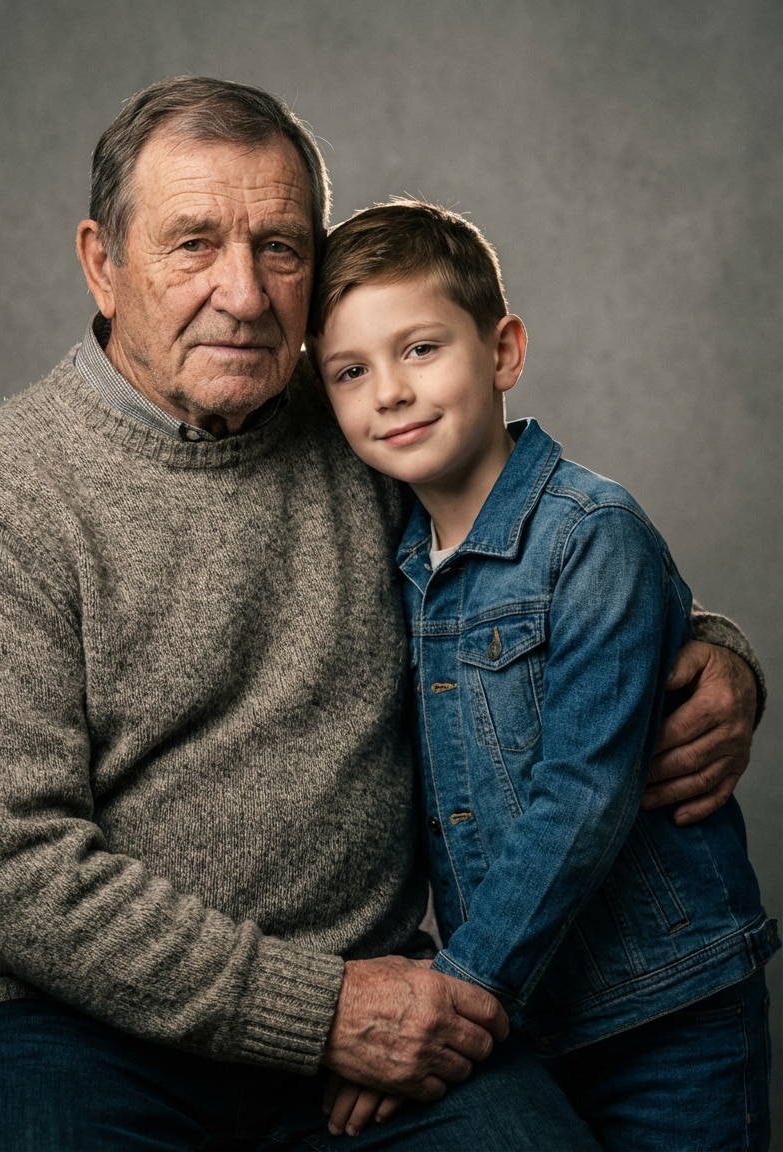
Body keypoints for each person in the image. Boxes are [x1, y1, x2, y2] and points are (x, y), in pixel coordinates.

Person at [0, 78, 763, 1152]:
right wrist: (321, 1017)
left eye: (280, 248)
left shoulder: (363, 418)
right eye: (192, 245)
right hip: (74, 1027)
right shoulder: (0, 493)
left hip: (380, 1003)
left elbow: (552, 551)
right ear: (101, 265)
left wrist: (712, 652)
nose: (245, 295)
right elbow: (15, 872)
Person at [307, 199, 778, 1150]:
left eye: (421, 349)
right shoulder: (396, 559)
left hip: (666, 1005)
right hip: (535, 1015)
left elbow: (584, 794)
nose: (389, 393)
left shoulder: (590, 537)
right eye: (351, 372)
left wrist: (455, 994)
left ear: (504, 352)